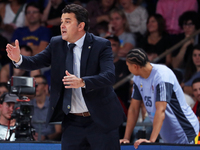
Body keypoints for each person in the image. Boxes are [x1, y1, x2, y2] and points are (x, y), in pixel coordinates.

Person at [6, 4, 125, 150]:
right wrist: (19, 59)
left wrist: (82, 82)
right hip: (73, 122)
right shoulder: (56, 44)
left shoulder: (101, 45)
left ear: (80, 26)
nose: (62, 25)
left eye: (67, 21)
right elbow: (35, 61)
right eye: (62, 21)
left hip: (100, 120)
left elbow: (109, 77)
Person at [120, 48, 199, 148]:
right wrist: (126, 138)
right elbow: (133, 109)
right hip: (168, 135)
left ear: (135, 66)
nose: (128, 69)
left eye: (128, 66)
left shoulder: (162, 75)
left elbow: (161, 110)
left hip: (186, 131)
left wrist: (151, 141)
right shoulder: (137, 78)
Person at [31, 75, 61, 141]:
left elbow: (58, 131)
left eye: (38, 84)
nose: (36, 87)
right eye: (34, 84)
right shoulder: (28, 105)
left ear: (46, 87)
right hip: (31, 140)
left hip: (51, 142)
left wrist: (45, 138)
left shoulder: (54, 104)